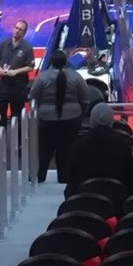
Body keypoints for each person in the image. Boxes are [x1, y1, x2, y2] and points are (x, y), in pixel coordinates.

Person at [30, 49, 90, 184]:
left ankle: (40, 177)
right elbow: (85, 98)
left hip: (47, 118)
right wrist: (80, 114)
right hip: (71, 118)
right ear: (66, 61)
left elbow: (34, 98)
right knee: (67, 150)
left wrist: (40, 111)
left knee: (45, 149)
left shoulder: (42, 77)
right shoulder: (76, 77)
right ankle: (65, 179)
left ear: (51, 62)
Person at [68, 103, 133, 194]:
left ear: (91, 121)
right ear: (111, 121)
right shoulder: (124, 144)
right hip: (117, 198)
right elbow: (130, 176)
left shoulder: (79, 145)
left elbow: (73, 176)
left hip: (84, 198)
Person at [0, 20, 35, 121]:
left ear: (24, 33)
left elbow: (30, 66)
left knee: (16, 114)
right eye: (16, 28)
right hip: (3, 83)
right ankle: (1, 132)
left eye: (20, 30)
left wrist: (16, 71)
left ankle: (17, 134)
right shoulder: (4, 44)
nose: (17, 31)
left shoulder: (27, 48)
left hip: (18, 85)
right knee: (0, 111)